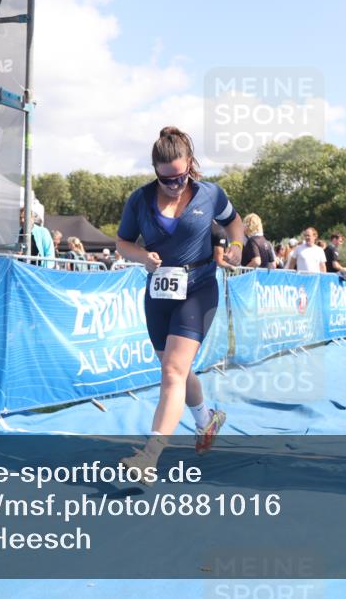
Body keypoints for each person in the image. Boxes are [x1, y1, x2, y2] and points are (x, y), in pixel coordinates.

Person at [114, 126, 245, 483]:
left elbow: (235, 225)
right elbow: (122, 243)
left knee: (171, 371)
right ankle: (207, 420)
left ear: (191, 164)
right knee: (179, 370)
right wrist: (142, 256)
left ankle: (149, 456)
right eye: (166, 179)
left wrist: (236, 247)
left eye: (181, 177)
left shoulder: (211, 194)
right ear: (156, 171)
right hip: (159, 292)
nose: (175, 184)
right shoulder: (139, 200)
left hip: (199, 288)